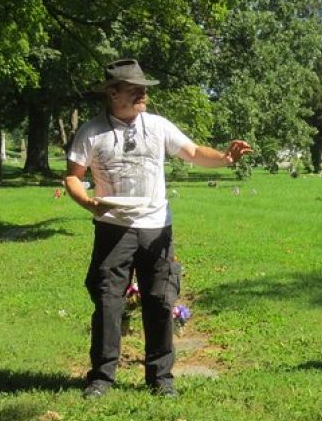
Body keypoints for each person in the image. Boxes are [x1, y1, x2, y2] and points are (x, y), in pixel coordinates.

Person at [65, 59, 252, 399]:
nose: (142, 95)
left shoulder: (158, 126)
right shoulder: (92, 132)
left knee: (159, 300)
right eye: (134, 89)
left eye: (143, 89)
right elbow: (73, 177)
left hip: (156, 229)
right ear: (112, 92)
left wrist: (225, 158)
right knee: (109, 302)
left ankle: (161, 377)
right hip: (112, 229)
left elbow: (194, 152)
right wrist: (89, 203)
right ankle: (102, 378)